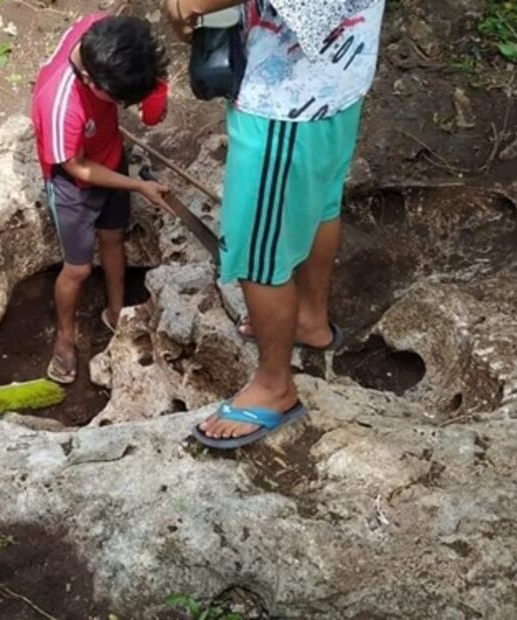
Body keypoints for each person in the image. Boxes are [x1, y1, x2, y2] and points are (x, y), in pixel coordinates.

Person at [165, 0, 385, 448]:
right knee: (320, 202)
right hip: (338, 77)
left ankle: (273, 387)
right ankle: (310, 320)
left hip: (287, 97)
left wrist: (189, 5)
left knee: (257, 251)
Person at [30, 14, 170, 384]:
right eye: (119, 98)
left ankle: (116, 311)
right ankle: (64, 340)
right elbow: (76, 167)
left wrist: (152, 92)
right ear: (91, 81)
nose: (123, 104)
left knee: (113, 236)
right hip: (73, 182)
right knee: (77, 268)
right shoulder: (59, 106)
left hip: (109, 154)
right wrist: (136, 185)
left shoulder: (106, 34)